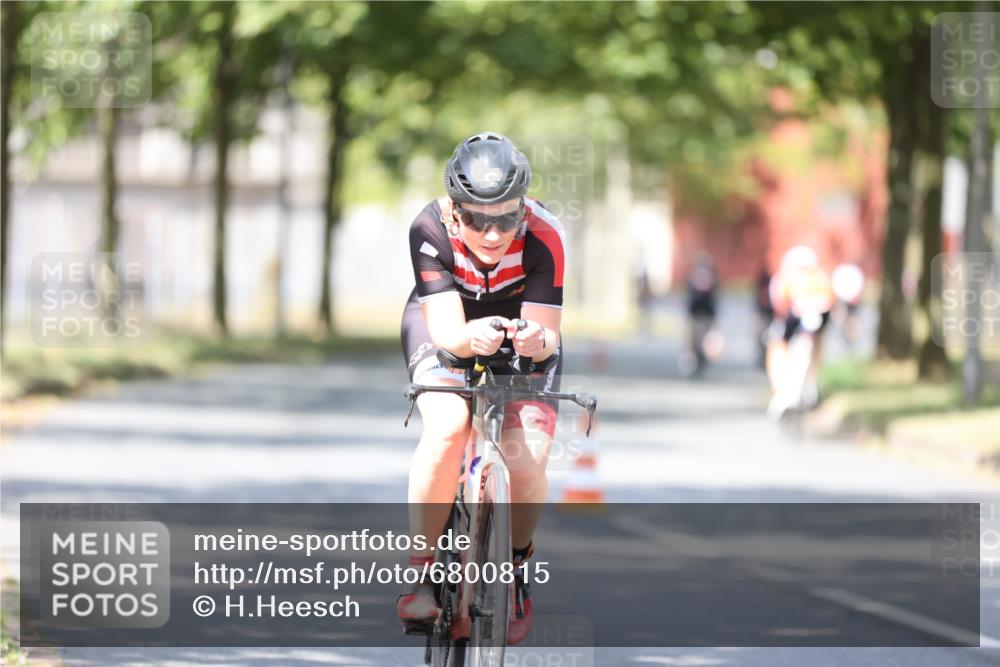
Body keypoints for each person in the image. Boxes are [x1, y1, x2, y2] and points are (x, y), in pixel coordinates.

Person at [397, 132, 567, 644]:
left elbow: (546, 334)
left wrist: (536, 341)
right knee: (448, 427)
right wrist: (469, 339)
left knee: (528, 451)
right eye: (475, 218)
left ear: (525, 210)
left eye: (506, 218)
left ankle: (513, 568)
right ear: (453, 211)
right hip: (445, 318)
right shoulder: (428, 228)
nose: (491, 234)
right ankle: (422, 573)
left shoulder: (546, 235)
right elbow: (449, 333)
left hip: (521, 324)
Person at [766, 246, 835, 418]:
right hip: (791, 323)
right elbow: (780, 305)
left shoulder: (818, 281)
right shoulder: (785, 280)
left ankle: (809, 384)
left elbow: (827, 305)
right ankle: (782, 391)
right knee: (777, 346)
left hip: (809, 325)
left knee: (810, 347)